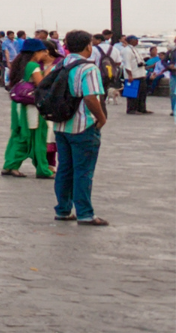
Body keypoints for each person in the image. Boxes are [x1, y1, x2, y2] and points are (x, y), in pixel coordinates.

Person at [48, 28, 109, 225]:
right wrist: (101, 118)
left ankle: (63, 209)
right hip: (83, 125)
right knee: (83, 171)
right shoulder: (88, 68)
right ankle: (85, 213)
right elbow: (91, 98)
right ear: (87, 46)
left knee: (65, 169)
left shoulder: (61, 64)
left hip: (61, 124)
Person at [2, 38, 53, 178]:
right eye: (43, 51)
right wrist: (48, 73)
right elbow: (41, 85)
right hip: (30, 107)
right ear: (36, 52)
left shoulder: (19, 64)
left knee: (19, 135)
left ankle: (10, 165)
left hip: (19, 105)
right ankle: (42, 169)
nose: (45, 54)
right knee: (34, 136)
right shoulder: (33, 66)